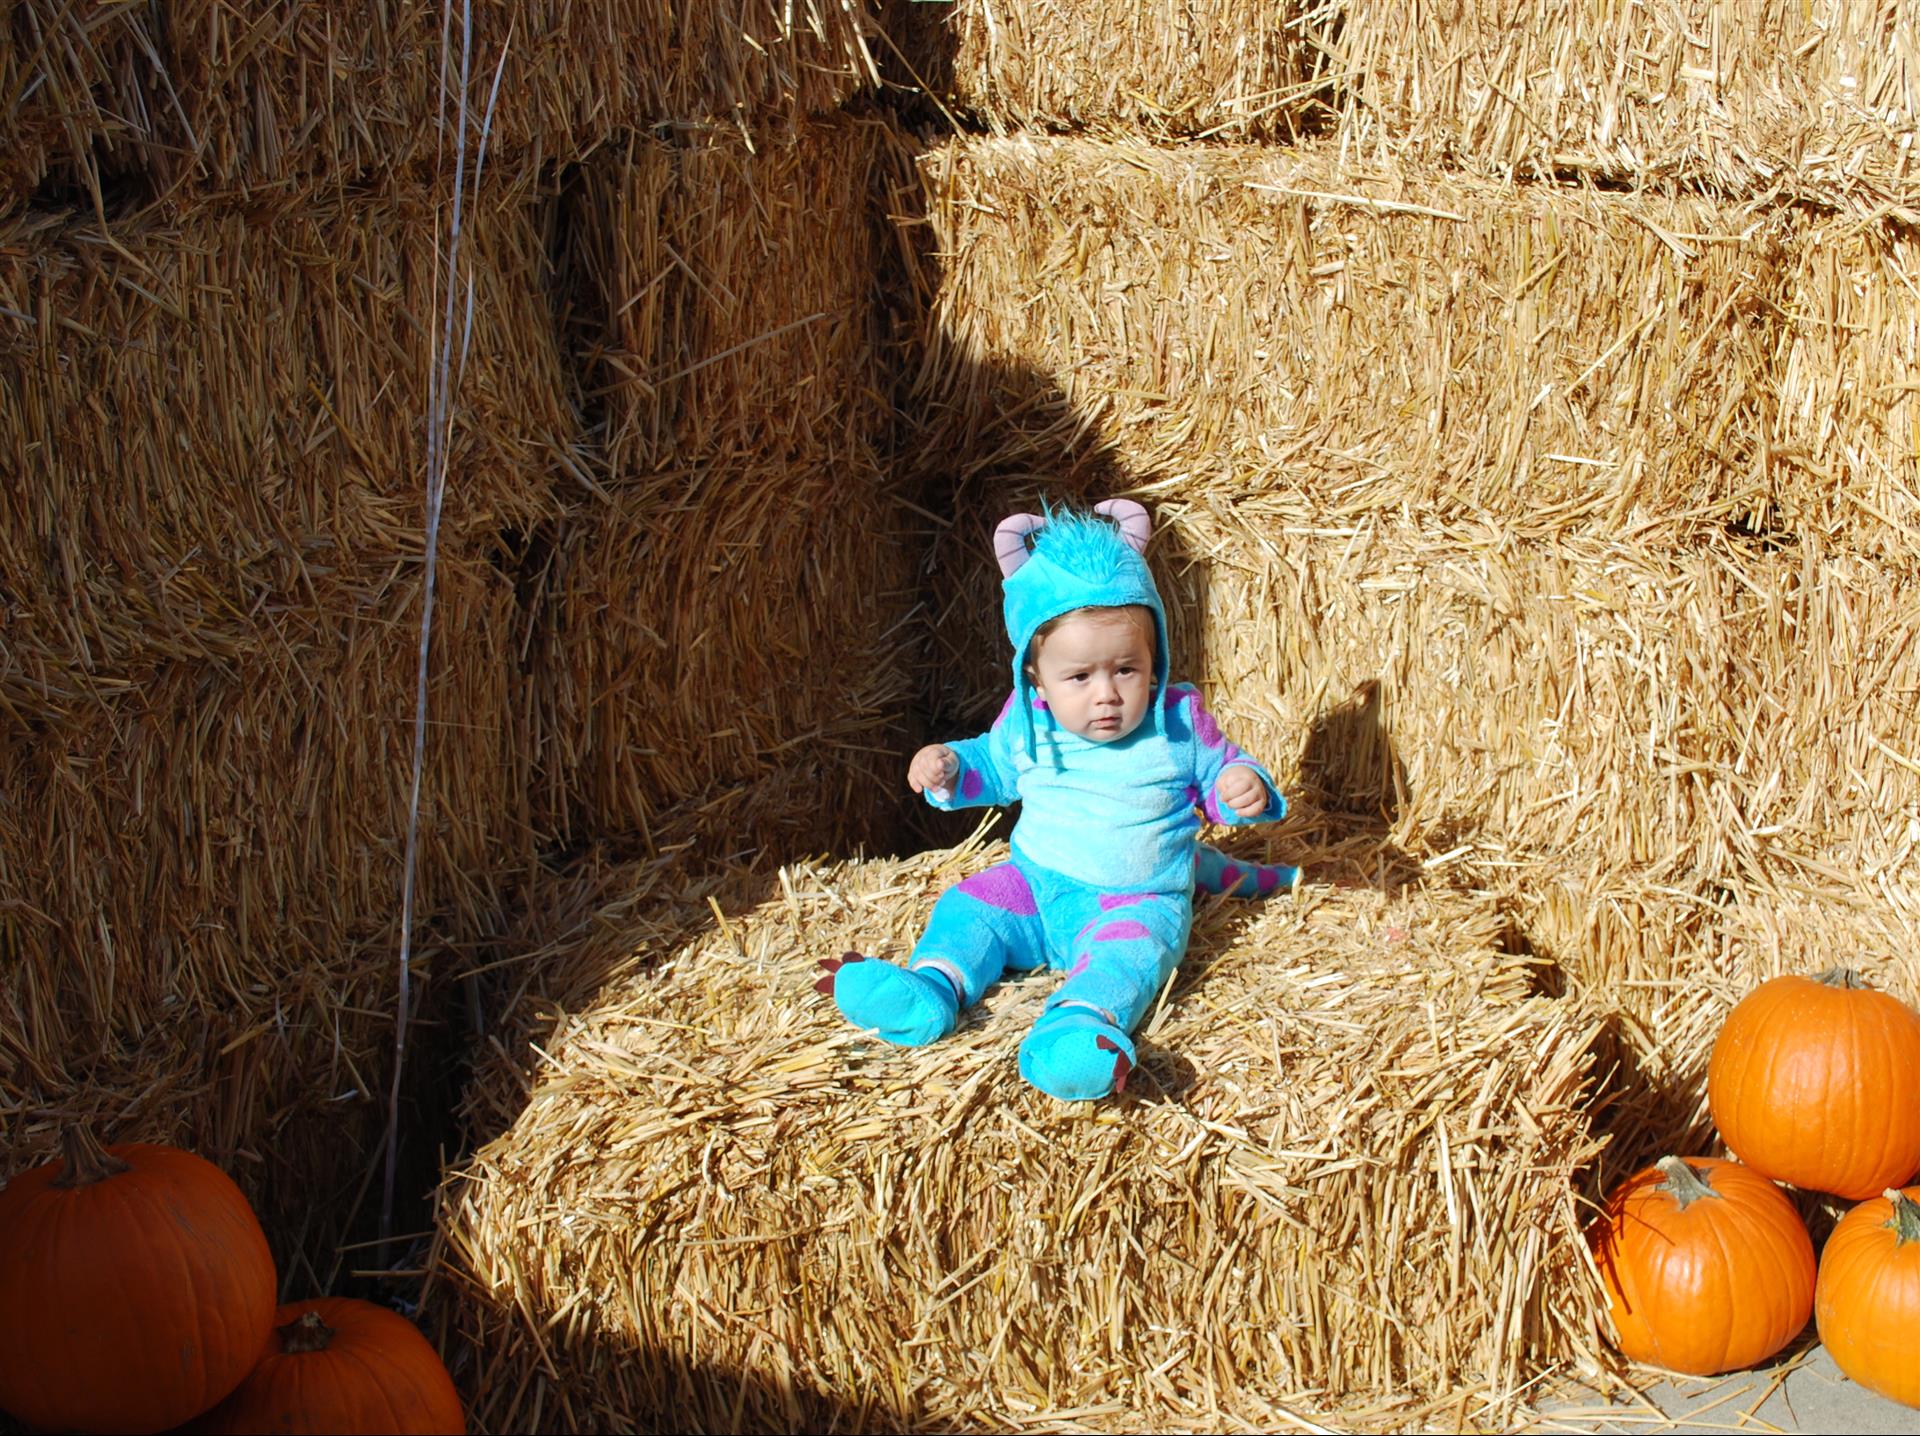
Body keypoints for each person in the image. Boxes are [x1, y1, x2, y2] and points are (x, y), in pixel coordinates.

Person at [816, 499, 1294, 1101]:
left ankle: (1079, 1025)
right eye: (1079, 677)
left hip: (1135, 901)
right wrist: (946, 767)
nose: (1107, 695)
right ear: (1035, 677)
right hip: (1035, 886)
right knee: (970, 908)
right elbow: (990, 766)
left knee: (1130, 963)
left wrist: (1239, 786)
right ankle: (933, 985)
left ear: (1156, 662)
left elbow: (1223, 770)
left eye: (1126, 669)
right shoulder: (1027, 722)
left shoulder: (1177, 720)